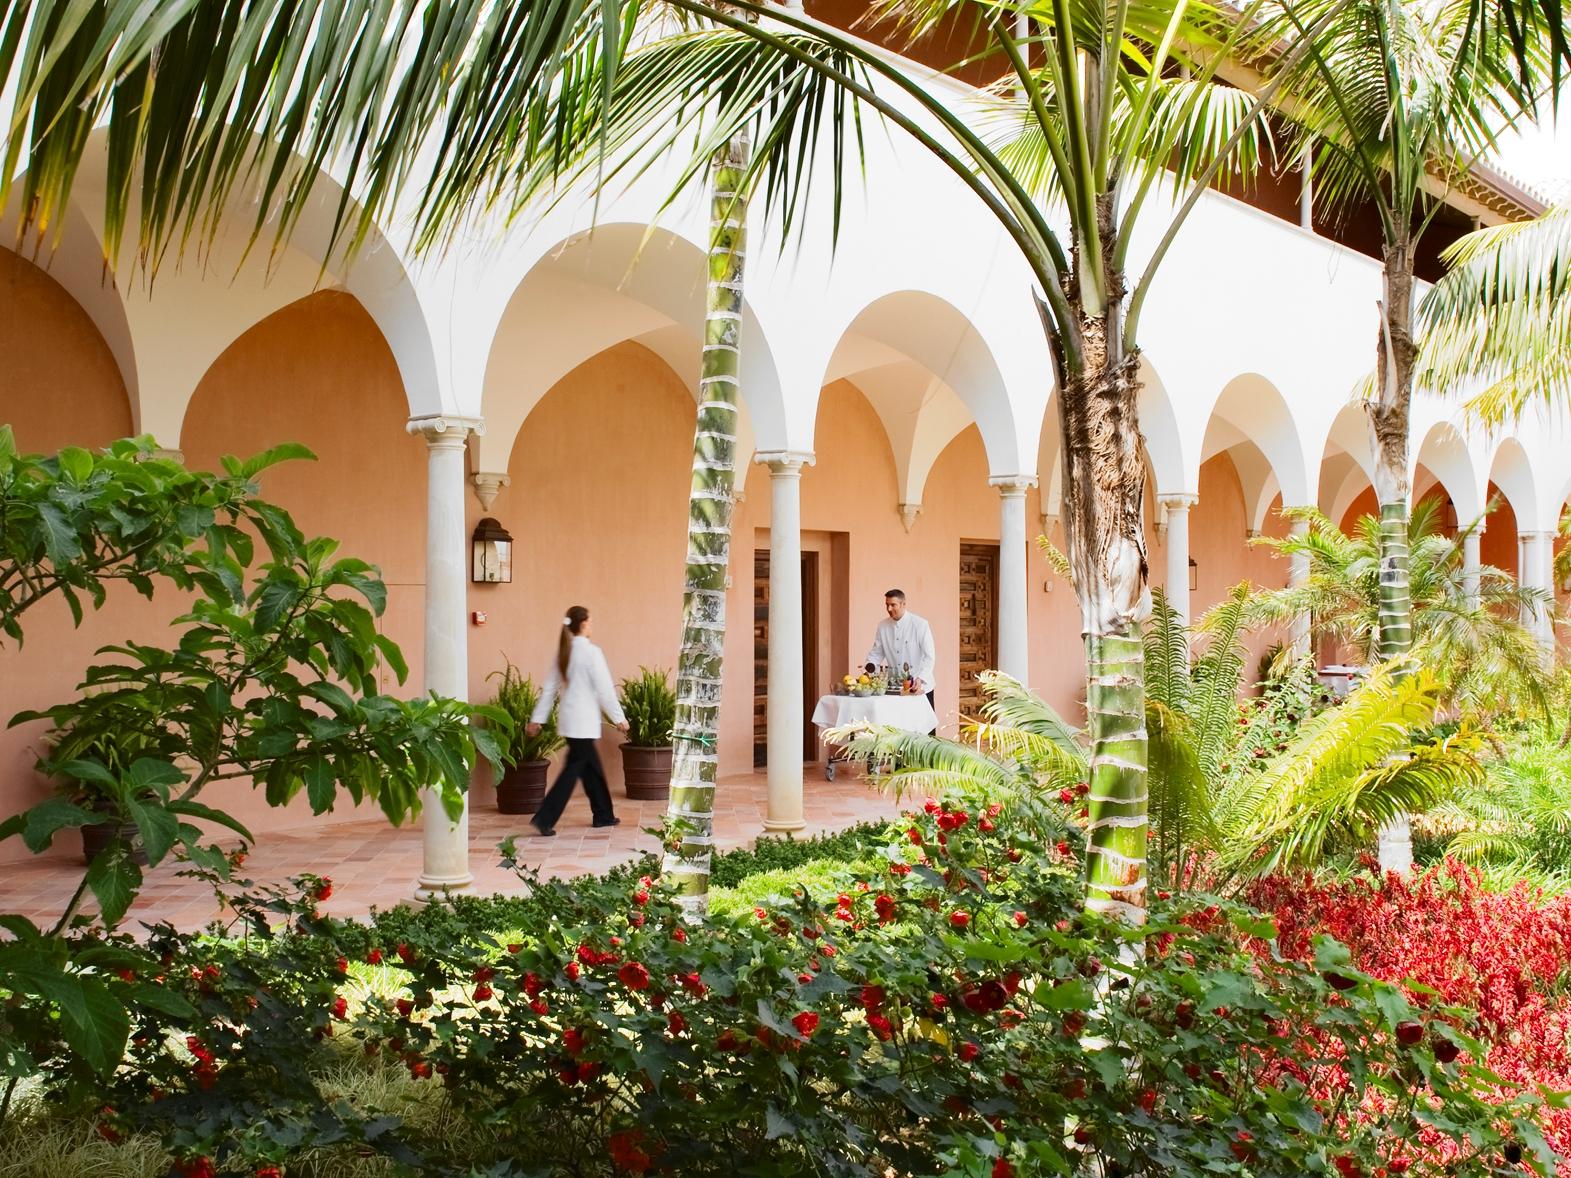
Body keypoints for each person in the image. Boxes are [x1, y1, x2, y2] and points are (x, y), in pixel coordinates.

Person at [526, 605, 628, 836]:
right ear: (583, 624)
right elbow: (604, 690)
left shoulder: (563, 652)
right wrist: (619, 718)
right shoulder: (592, 653)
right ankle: (545, 817)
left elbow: (549, 689)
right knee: (573, 770)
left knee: (591, 769)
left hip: (570, 721)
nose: (592, 626)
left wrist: (538, 719)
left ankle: (603, 815)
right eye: (590, 622)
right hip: (583, 723)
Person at [865, 588, 937, 726]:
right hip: (897, 688)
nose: (889, 608)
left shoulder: (920, 624)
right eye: (887, 605)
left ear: (903, 604)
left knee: (923, 733)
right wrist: (869, 669)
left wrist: (920, 679)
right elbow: (876, 653)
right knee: (900, 730)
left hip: (920, 687)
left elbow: (930, 656)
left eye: (893, 605)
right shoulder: (882, 626)